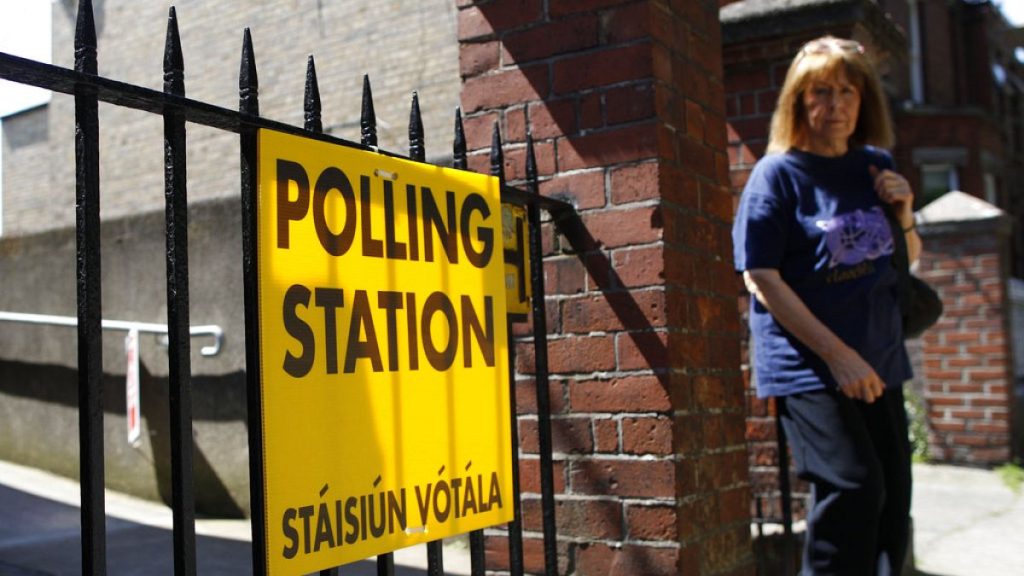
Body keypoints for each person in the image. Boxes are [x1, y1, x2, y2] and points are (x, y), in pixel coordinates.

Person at [732, 36, 921, 575]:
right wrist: (837, 356)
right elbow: (760, 276)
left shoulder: (874, 167)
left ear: (863, 101)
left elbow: (904, 260)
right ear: (798, 100)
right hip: (810, 365)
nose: (835, 105)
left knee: (892, 501)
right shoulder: (778, 175)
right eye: (820, 92)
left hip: (880, 357)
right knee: (853, 487)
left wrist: (904, 214)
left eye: (846, 91)